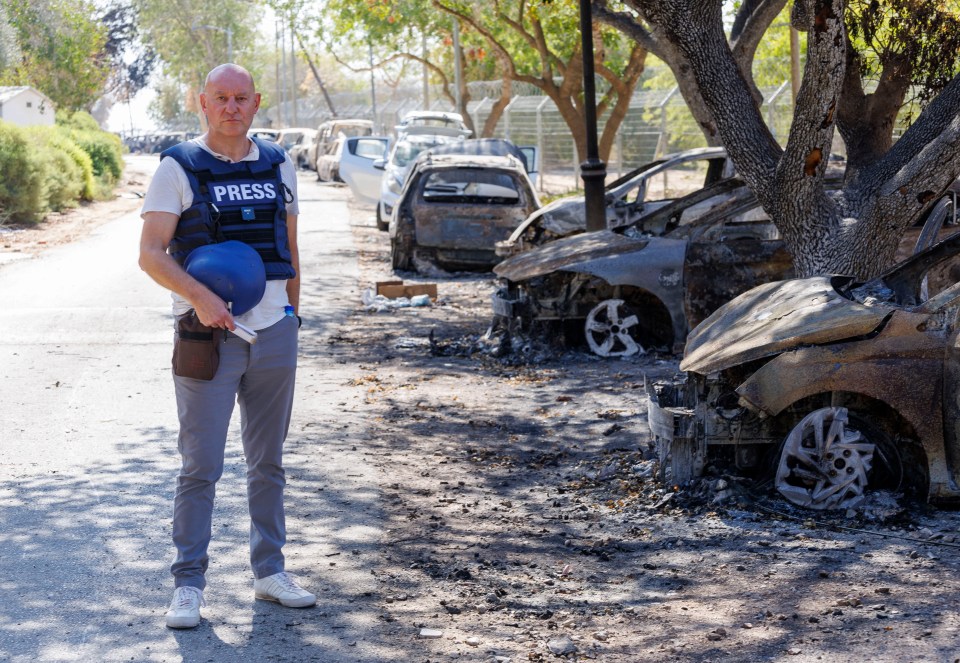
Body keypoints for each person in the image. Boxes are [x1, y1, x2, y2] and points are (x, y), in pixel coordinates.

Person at [138, 63, 315, 629]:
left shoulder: (278, 162)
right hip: (206, 336)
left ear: (256, 103)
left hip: (274, 333)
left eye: (241, 97)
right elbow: (150, 253)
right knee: (201, 466)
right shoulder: (177, 167)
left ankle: (270, 574)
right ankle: (188, 584)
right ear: (203, 103)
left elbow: (289, 247)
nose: (232, 107)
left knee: (268, 463)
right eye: (221, 98)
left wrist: (291, 314)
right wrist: (200, 299)